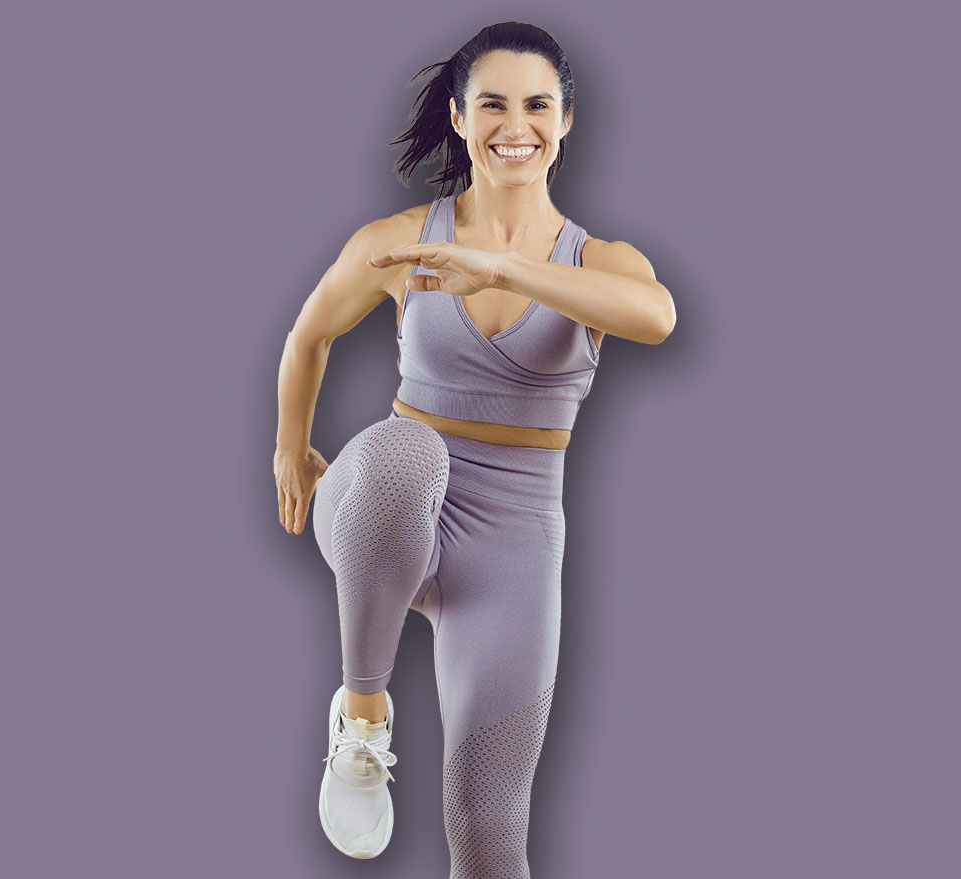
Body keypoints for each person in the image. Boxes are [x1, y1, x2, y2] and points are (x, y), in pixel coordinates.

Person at [273, 20, 675, 876]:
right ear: (460, 119)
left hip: (513, 547)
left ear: (566, 120)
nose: (515, 124)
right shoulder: (404, 240)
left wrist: (501, 271)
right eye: (491, 104)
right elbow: (308, 335)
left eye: (537, 104)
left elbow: (657, 317)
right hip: (387, 504)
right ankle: (363, 713)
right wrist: (288, 446)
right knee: (409, 454)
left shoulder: (599, 263)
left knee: (489, 829)